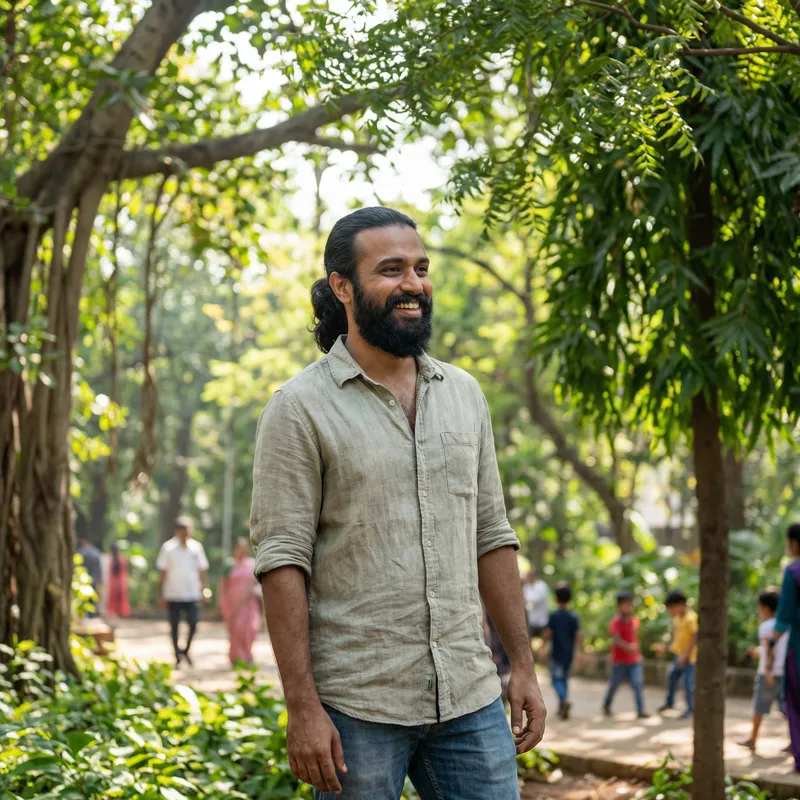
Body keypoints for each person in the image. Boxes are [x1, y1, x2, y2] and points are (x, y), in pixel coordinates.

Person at [250, 207, 546, 800]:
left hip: (470, 694)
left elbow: (492, 534)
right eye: (390, 270)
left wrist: (523, 665)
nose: (413, 284)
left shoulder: (464, 395)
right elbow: (282, 561)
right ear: (343, 287)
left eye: (420, 268)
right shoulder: (298, 408)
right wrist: (301, 706)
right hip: (356, 706)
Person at [737, 588, 788, 751]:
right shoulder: (786, 626)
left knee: (759, 708)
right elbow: (776, 648)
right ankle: (795, 741)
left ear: (765, 608)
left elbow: (771, 650)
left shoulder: (767, 626)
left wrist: (768, 672)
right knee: (787, 709)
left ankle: (752, 739)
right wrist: (760, 651)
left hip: (769, 674)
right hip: (785, 672)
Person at [156, 517, 209, 668]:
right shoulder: (168, 548)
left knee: (193, 624)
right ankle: (177, 655)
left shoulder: (196, 547)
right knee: (174, 627)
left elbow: (202, 570)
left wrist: (204, 589)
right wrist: (160, 594)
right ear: (177, 531)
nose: (187, 533)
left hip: (192, 593)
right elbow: (162, 572)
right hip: (173, 594)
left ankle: (185, 650)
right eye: (184, 530)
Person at [769, 523, 800, 771]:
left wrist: (770, 642)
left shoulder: (793, 572)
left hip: (798, 647)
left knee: (796, 702)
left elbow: (784, 615)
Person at [541, 582, 583, 720]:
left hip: (557, 654)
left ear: (556, 598)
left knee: (555, 680)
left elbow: (547, 633)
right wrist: (581, 652)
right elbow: (578, 635)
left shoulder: (554, 616)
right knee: (564, 680)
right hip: (568, 654)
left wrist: (542, 647)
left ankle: (564, 700)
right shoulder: (573, 616)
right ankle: (561, 707)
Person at [603, 590, 648, 718]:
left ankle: (641, 709)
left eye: (630, 604)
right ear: (619, 606)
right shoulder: (615, 622)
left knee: (637, 684)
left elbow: (636, 639)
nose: (628, 607)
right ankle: (607, 704)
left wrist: (638, 653)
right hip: (619, 661)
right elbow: (616, 639)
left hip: (634, 660)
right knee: (614, 685)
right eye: (625, 604)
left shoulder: (635, 620)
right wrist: (628, 647)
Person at [655, 590, 697, 719]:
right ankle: (670, 702)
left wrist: (685, 655)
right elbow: (677, 638)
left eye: (672, 607)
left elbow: (695, 637)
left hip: (690, 657)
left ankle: (691, 708)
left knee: (688, 684)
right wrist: (667, 647)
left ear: (681, 604)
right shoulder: (677, 619)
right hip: (679, 655)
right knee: (672, 677)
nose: (670, 611)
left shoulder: (691, 617)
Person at [220, 537, 262, 667]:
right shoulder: (229, 565)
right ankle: (236, 658)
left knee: (251, 629)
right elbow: (222, 585)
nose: (242, 551)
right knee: (236, 630)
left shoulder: (252, 564)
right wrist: (221, 602)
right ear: (235, 549)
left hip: (249, 603)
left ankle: (248, 656)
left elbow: (258, 582)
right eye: (240, 548)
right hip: (232, 603)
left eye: (245, 548)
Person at [76, 534, 103, 617]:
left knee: (84, 600)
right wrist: (100, 580)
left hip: (83, 579)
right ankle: (92, 616)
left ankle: (86, 616)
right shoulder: (97, 553)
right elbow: (99, 569)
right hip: (94, 579)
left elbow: (78, 567)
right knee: (93, 599)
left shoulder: (81, 552)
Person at [103, 541, 131, 618]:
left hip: (112, 582)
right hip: (121, 581)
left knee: (112, 599)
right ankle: (121, 613)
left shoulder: (109, 559)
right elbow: (125, 571)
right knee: (121, 598)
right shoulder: (122, 558)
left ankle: (113, 613)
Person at [523, 568, 550, 637]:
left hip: (542, 621)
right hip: (531, 621)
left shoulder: (542, 586)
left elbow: (534, 602)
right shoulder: (526, 587)